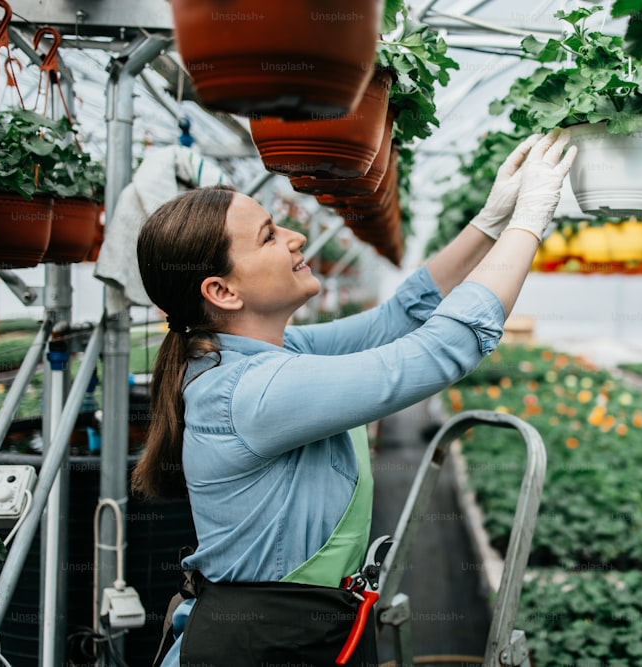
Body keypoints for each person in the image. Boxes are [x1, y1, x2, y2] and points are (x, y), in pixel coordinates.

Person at [131, 128, 576, 667]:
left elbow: (396, 320)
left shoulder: (259, 354)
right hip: (264, 644)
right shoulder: (251, 391)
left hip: (295, 630)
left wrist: (490, 222)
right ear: (223, 292)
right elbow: (441, 350)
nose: (295, 237)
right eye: (270, 236)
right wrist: (530, 222)